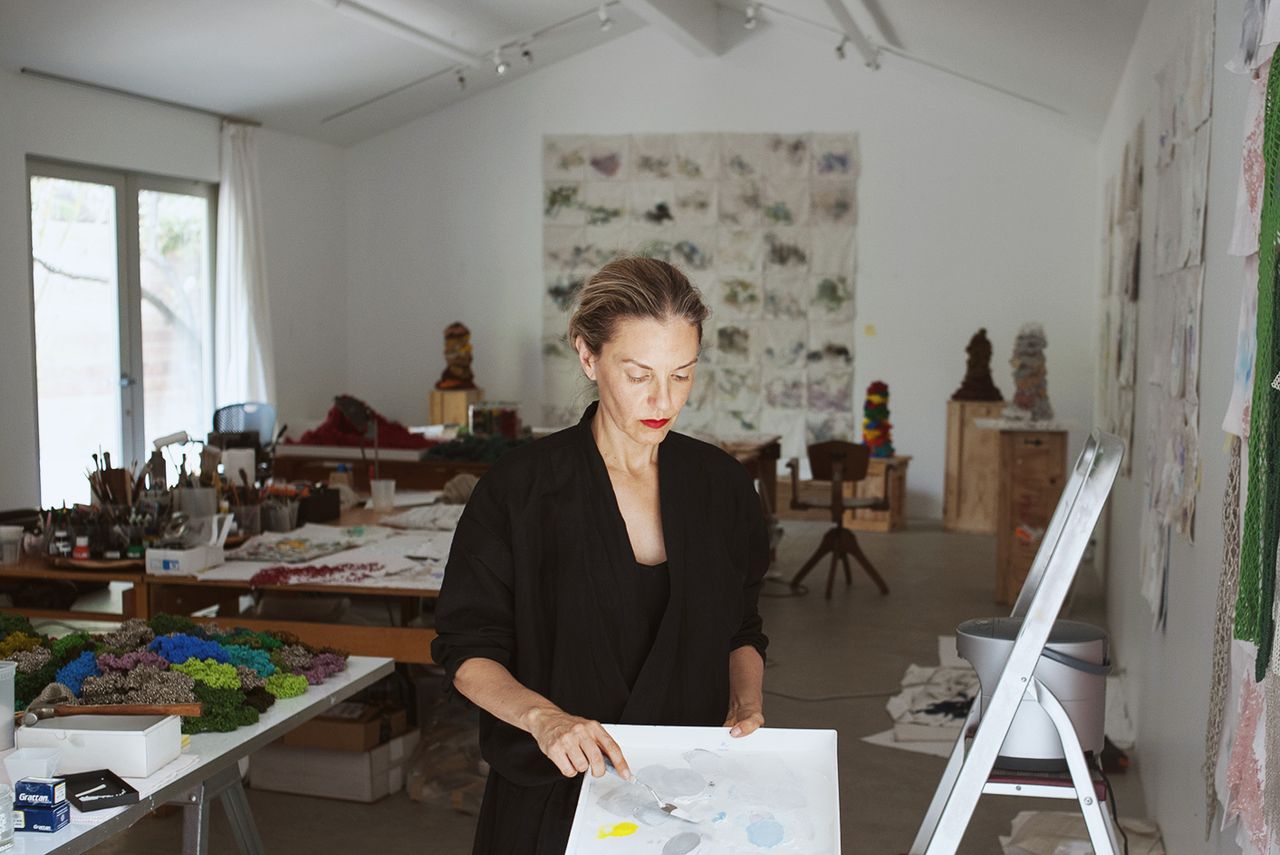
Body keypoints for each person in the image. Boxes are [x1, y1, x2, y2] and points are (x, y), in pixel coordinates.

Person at [431, 257, 770, 854]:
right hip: (547, 804)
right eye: (638, 374)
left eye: (683, 374)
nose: (663, 398)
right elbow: (467, 650)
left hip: (686, 799)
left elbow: (741, 627)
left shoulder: (722, 487)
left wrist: (747, 700)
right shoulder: (520, 490)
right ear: (588, 356)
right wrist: (545, 719)